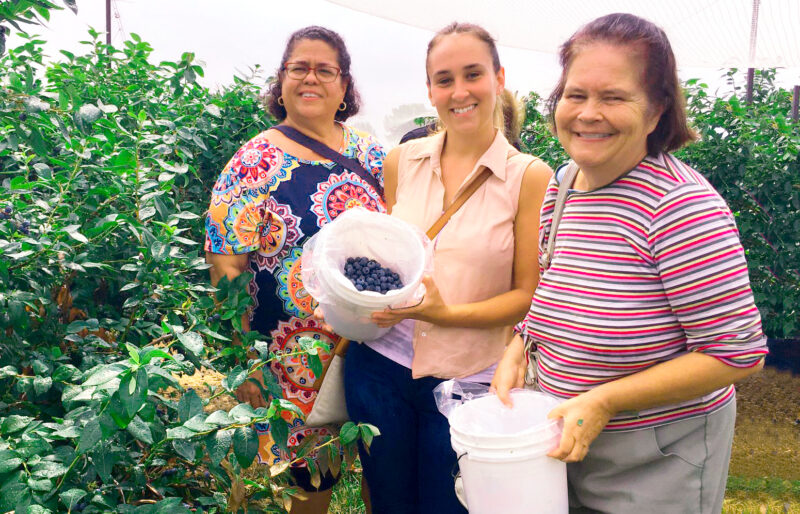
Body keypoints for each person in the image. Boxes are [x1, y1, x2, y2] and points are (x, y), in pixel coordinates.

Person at [492, 13, 768, 514]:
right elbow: (560, 286)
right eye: (575, 95)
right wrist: (520, 344)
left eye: (613, 97)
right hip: (565, 438)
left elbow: (737, 353)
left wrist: (604, 401)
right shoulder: (565, 182)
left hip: (654, 461)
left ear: (658, 109)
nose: (588, 113)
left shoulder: (680, 207)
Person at [342, 22, 553, 513]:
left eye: (473, 74)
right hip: (380, 369)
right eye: (444, 79)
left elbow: (527, 296)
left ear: (499, 78)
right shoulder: (400, 161)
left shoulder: (529, 177)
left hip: (468, 382)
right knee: (389, 503)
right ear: (430, 90)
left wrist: (444, 313)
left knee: (449, 503)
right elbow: (398, 254)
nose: (459, 92)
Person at [204, 26, 385, 514]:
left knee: (383, 476)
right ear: (280, 81)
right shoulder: (253, 161)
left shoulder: (373, 156)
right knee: (309, 487)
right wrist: (245, 355)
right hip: (291, 365)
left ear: (344, 86)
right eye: (298, 67)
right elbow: (226, 258)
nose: (311, 78)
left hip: (373, 350)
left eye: (325, 70)